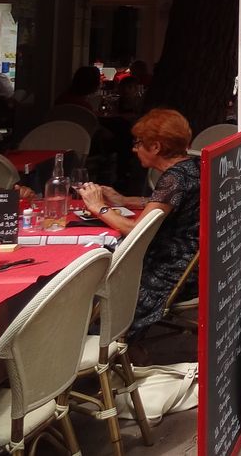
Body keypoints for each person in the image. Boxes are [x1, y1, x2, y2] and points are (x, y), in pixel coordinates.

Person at [78, 108, 199, 339]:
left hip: (173, 271)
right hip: (194, 264)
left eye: (138, 143)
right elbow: (165, 203)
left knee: (98, 285)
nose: (134, 149)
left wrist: (98, 207)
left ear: (155, 147)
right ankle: (133, 351)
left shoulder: (175, 177)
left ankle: (107, 349)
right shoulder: (193, 167)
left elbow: (137, 231)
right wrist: (124, 201)